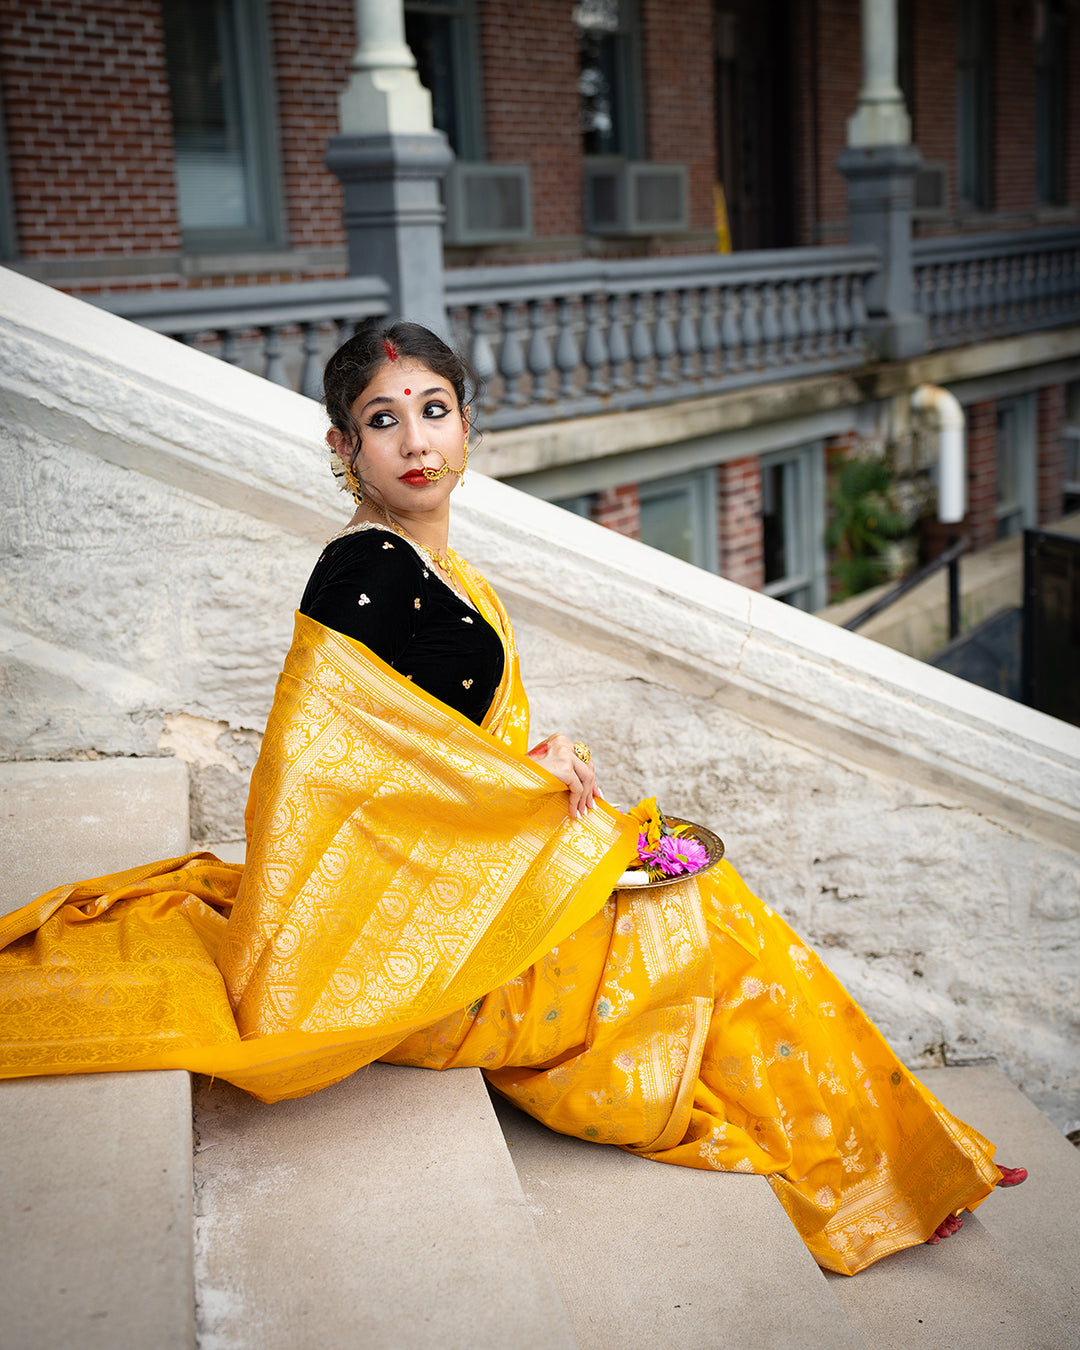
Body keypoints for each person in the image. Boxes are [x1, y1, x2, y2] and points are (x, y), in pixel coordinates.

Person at [0, 321, 1024, 1277]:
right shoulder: (361, 572)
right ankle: (868, 1173)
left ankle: (887, 1162)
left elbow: (441, 744)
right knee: (706, 926)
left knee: (709, 908)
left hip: (468, 891)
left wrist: (535, 755)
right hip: (404, 947)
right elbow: (331, 790)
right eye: (382, 419)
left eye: (434, 409)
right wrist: (521, 790)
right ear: (342, 447)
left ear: (468, 425)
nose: (414, 440)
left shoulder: (442, 569)